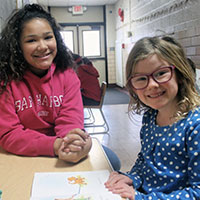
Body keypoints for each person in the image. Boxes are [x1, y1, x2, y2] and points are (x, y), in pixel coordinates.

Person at [105, 36, 200, 199]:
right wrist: (132, 177)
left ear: (179, 73)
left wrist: (144, 198)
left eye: (161, 73)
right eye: (141, 78)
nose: (152, 85)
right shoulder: (150, 116)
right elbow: (145, 159)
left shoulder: (195, 126)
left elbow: (197, 191)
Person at [0, 4, 92, 163]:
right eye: (31, 40)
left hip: (61, 148)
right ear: (17, 47)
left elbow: (70, 121)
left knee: (110, 161)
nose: (43, 46)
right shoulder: (6, 80)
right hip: (19, 152)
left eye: (48, 37)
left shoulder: (67, 75)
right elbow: (9, 134)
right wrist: (54, 145)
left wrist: (73, 141)